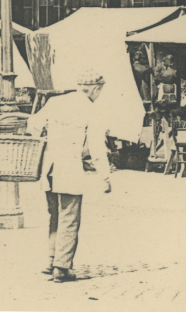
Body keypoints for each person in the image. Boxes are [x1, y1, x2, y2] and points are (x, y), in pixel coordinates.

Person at [29, 69, 112, 283]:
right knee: (69, 218)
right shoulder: (91, 109)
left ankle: (49, 261)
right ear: (95, 88)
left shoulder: (55, 102)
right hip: (70, 171)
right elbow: (96, 147)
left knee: (54, 217)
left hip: (49, 170)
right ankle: (61, 268)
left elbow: (33, 125)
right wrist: (105, 176)